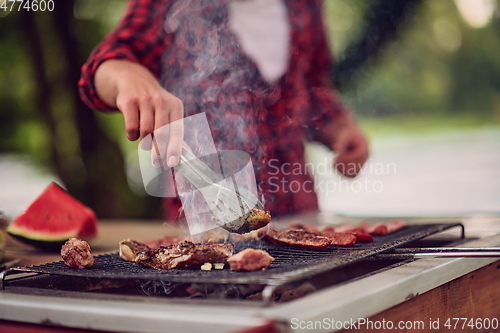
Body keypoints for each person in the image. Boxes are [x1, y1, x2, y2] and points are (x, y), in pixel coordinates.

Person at [78, 0, 369, 220]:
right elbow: (103, 68)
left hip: (300, 213)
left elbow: (312, 84)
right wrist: (127, 77)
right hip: (206, 221)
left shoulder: (305, 5)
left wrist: (340, 128)